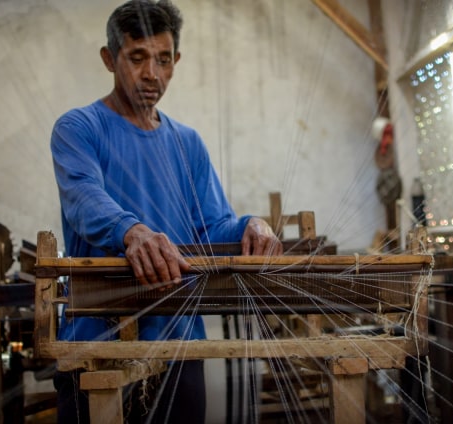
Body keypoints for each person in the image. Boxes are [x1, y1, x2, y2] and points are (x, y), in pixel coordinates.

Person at [49, 0, 282, 422]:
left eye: (162, 59)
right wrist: (132, 231)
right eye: (137, 58)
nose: (151, 74)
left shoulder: (187, 143)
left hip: (180, 343)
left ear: (176, 60)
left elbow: (212, 228)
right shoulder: (79, 128)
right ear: (109, 59)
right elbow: (83, 198)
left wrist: (252, 225)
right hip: (98, 346)